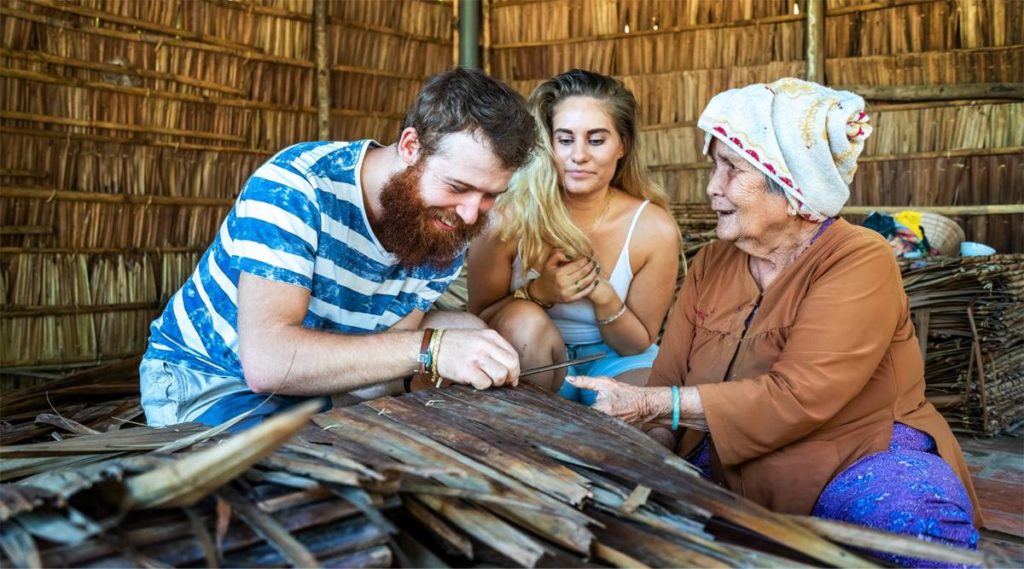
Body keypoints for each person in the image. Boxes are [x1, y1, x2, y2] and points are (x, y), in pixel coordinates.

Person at [567, 78, 981, 564]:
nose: (711, 188)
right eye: (713, 166)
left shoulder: (859, 258)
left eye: (730, 169)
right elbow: (669, 383)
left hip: (850, 457)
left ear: (789, 185)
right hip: (728, 460)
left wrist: (649, 404)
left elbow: (800, 393)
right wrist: (654, 454)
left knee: (920, 534)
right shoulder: (711, 264)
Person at [140, 68, 538, 430]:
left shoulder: (447, 224)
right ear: (411, 146)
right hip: (213, 379)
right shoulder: (296, 187)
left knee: (470, 334)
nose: (471, 215)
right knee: (298, 496)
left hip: (323, 385)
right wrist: (431, 349)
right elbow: (267, 363)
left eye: (490, 195)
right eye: (458, 187)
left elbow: (389, 345)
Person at [467, 69, 679, 402]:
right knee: (523, 321)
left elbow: (636, 343)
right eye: (565, 139)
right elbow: (477, 320)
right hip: (533, 360)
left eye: (596, 140)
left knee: (649, 424)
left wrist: (602, 296)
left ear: (622, 145)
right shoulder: (507, 219)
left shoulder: (652, 228)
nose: (579, 155)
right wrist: (540, 292)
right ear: (548, 144)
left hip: (617, 360)